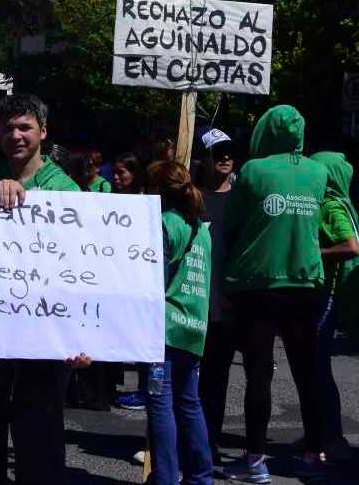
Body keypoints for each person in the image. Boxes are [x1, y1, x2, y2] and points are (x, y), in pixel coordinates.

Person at [0, 93, 91, 485]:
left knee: (40, 448)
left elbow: (82, 272)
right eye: (8, 128)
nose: (16, 135)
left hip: (43, 344)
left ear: (43, 132)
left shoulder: (66, 192)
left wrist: (82, 337)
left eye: (25, 127)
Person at [221, 105, 329, 483]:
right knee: (307, 372)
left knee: (259, 374)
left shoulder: (252, 171)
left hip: (258, 284)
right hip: (305, 283)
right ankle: (315, 454)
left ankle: (255, 460)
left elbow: (231, 225)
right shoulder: (319, 172)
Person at [143, 160, 216, 485]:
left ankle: (166, 478)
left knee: (159, 404)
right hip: (194, 327)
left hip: (165, 329)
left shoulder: (164, 224)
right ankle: (201, 476)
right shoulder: (202, 229)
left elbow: (153, 281)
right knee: (189, 402)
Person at [310, 150, 359, 463]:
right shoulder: (338, 201)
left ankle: (332, 438)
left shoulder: (330, 205)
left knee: (318, 371)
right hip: (322, 296)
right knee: (314, 370)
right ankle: (318, 433)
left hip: (324, 297)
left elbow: (350, 247)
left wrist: (315, 250)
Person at [195, 128, 239, 461]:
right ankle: (182, 440)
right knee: (186, 378)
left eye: (229, 151)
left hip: (228, 303)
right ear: (203, 157)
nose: (225, 157)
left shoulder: (242, 197)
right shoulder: (191, 197)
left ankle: (210, 441)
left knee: (217, 377)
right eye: (218, 152)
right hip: (192, 301)